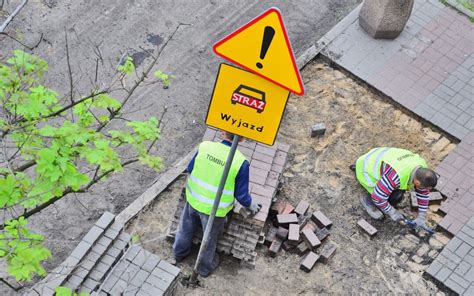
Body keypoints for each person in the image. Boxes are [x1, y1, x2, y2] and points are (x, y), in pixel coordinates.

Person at [172, 131, 261, 277]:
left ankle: (178, 254)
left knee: (185, 229)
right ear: (243, 139)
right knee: (209, 239)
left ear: (222, 133)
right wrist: (251, 205)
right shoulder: (240, 163)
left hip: (193, 200)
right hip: (215, 211)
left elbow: (190, 168)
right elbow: (242, 195)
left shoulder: (205, 147)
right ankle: (204, 268)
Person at [352, 147, 437, 230]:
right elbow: (378, 197)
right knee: (394, 197)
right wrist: (392, 212)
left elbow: (423, 192)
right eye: (425, 188)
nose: (426, 191)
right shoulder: (395, 177)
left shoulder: (422, 168)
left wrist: (421, 217)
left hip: (379, 157)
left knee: (397, 193)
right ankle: (367, 201)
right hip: (365, 168)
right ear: (417, 182)